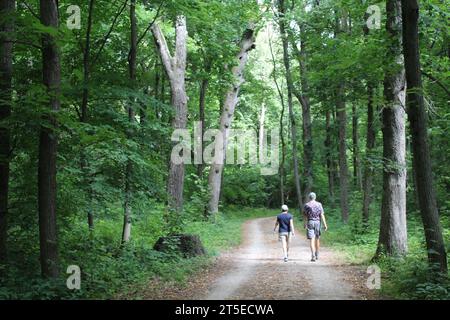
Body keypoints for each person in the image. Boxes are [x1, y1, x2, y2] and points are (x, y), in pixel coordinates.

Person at [303, 192, 328, 262]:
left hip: (310, 222)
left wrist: (305, 224)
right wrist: (325, 224)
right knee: (317, 238)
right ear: (315, 197)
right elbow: (322, 215)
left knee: (312, 239)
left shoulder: (306, 205)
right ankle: (317, 253)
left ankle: (313, 255)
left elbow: (304, 215)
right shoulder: (319, 204)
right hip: (318, 222)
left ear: (309, 197)